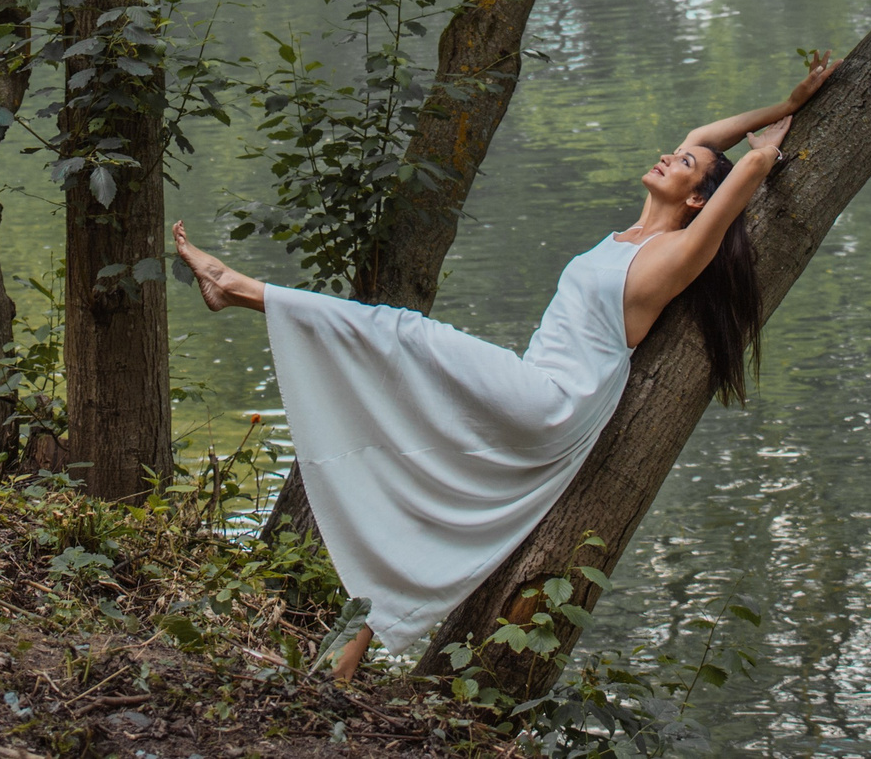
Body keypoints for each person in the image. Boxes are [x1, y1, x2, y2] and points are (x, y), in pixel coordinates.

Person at [174, 50, 837, 681]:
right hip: (533, 390)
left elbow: (744, 177)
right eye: (677, 152)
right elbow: (704, 133)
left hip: (549, 401)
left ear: (698, 197)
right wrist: (784, 100)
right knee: (431, 488)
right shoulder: (630, 238)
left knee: (400, 331)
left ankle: (236, 288)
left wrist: (767, 150)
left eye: (685, 162)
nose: (672, 152)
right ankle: (345, 661)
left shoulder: (671, 257)